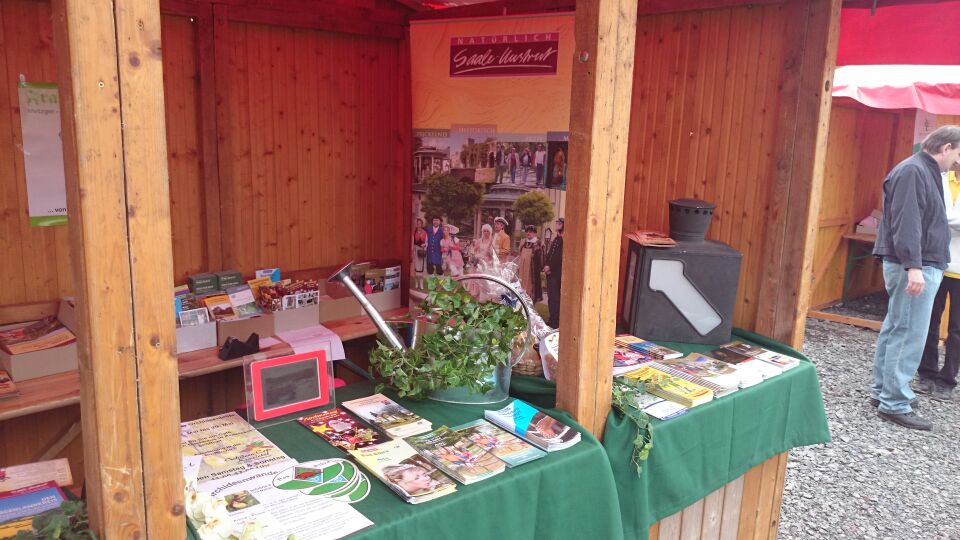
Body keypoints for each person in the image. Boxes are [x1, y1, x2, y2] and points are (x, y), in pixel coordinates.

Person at [871, 125, 960, 431]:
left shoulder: (922, 169)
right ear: (946, 147)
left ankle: (884, 391)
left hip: (915, 262)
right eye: (958, 154)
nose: (957, 162)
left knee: (897, 326)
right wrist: (915, 267)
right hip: (914, 264)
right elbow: (907, 221)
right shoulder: (914, 171)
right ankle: (894, 401)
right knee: (908, 332)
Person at [917, 162, 960, 402]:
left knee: (957, 328)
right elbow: (926, 213)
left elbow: (937, 216)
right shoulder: (938, 179)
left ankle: (948, 379)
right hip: (934, 261)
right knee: (928, 321)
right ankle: (927, 373)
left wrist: (942, 218)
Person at [543, 217, 564, 328]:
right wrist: (546, 265)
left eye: (559, 223)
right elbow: (550, 254)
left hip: (556, 274)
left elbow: (559, 258)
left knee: (555, 298)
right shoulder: (556, 239)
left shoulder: (563, 240)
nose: (556, 224)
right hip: (550, 273)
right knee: (551, 297)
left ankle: (555, 321)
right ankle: (552, 319)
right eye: (557, 222)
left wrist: (550, 267)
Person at [515, 225, 544, 302]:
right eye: (527, 231)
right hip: (522, 267)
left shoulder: (538, 243)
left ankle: (529, 300)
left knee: (530, 284)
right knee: (521, 283)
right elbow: (519, 254)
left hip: (531, 269)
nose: (528, 233)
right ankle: (521, 299)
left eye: (530, 232)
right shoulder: (523, 242)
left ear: (535, 233)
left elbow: (541, 258)